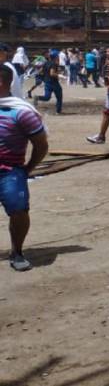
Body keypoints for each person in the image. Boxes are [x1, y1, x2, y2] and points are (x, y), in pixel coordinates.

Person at [0, 65, 49, 271]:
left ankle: (17, 252)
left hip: (10, 172)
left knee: (19, 211)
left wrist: (27, 168)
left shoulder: (21, 112)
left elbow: (41, 144)